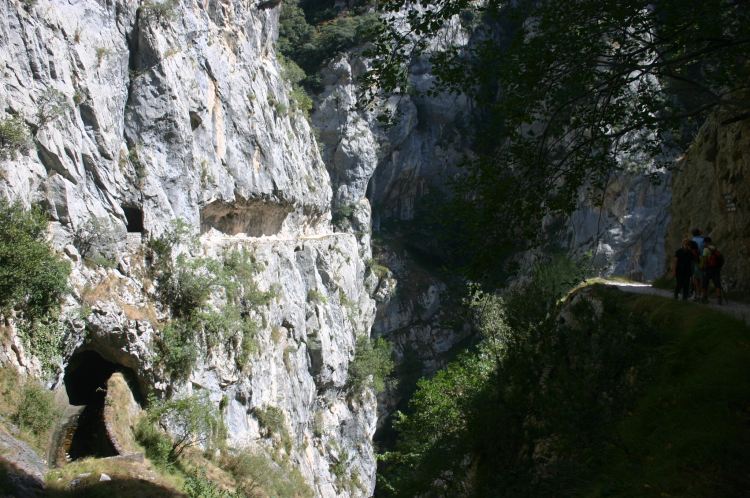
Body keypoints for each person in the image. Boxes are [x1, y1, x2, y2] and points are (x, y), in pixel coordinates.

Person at [701, 236, 724, 304]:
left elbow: (704, 259)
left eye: (704, 242)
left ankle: (704, 297)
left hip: (708, 268)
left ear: (706, 242)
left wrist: (702, 267)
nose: (704, 244)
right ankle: (719, 298)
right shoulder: (715, 248)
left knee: (705, 283)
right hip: (716, 268)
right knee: (717, 283)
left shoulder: (705, 249)